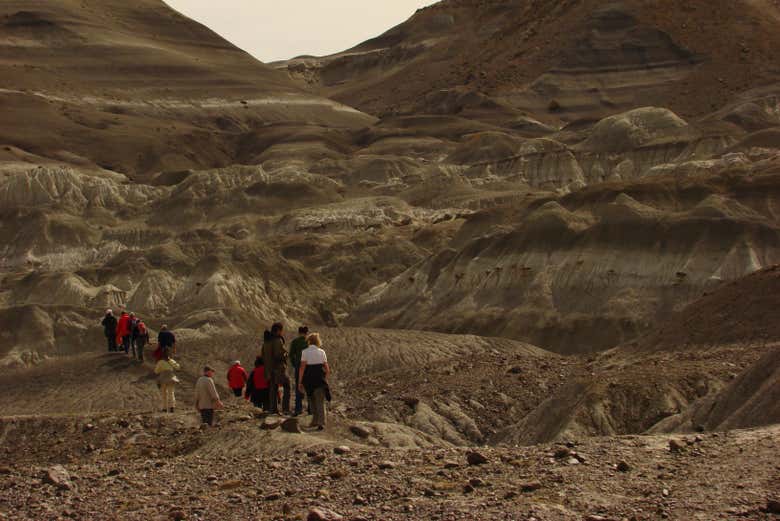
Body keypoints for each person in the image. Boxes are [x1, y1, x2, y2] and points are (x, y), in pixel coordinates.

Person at [298, 332, 331, 431]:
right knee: (320, 402)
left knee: (312, 402)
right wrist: (325, 378)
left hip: (308, 381)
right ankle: (321, 422)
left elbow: (302, 368)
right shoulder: (322, 352)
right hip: (319, 380)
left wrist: (300, 382)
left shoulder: (304, 352)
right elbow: (327, 369)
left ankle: (315, 421)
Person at [261, 322, 290, 414]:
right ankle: (285, 408)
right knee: (287, 385)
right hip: (279, 368)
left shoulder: (266, 342)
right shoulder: (278, 340)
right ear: (278, 331)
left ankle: (273, 409)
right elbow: (278, 355)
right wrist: (286, 354)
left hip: (269, 369)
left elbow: (263, 356)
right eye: (281, 330)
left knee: (273, 388)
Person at [289, 326, 309, 416]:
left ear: (299, 332)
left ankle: (298, 409)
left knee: (298, 386)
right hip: (308, 366)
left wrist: (295, 364)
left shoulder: (295, 342)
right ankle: (311, 409)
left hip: (298, 366)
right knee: (309, 387)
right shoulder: (309, 341)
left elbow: (291, 355)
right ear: (306, 332)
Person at [154, 348, 180, 413]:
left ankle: (164, 408)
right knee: (171, 393)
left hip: (163, 379)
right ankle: (172, 407)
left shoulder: (160, 362)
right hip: (171, 378)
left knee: (164, 394)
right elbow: (178, 367)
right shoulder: (171, 361)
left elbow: (156, 371)